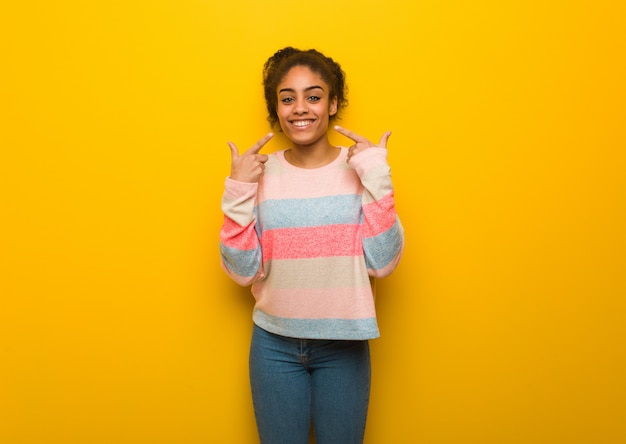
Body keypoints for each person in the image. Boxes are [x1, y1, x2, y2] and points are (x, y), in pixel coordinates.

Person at [219, 47, 404, 444]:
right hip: (274, 346)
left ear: (333, 103)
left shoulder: (361, 168)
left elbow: (383, 262)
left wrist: (378, 179)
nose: (300, 108)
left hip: (344, 345)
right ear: (277, 108)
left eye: (313, 96)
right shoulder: (260, 174)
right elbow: (242, 271)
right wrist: (238, 192)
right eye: (288, 98)